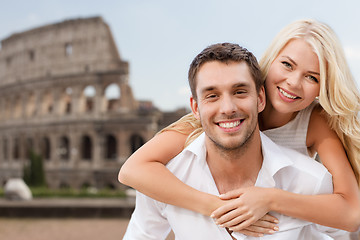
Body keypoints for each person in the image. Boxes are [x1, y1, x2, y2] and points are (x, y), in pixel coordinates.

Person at [119, 19, 360, 238]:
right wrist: (218, 208)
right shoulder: (211, 119)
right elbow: (132, 169)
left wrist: (269, 198)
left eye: (312, 77)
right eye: (287, 64)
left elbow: (350, 213)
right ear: (271, 60)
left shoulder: (315, 122)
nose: (294, 82)